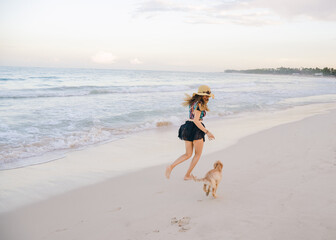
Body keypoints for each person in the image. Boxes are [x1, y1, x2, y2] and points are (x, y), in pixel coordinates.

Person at [165, 85, 215, 180]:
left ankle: (171, 167)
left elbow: (192, 118)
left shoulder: (192, 102)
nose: (207, 97)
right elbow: (196, 120)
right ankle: (187, 175)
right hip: (196, 128)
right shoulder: (200, 104)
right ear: (201, 95)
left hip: (187, 127)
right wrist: (207, 132)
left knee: (188, 154)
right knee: (197, 154)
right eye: (206, 95)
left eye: (208, 96)